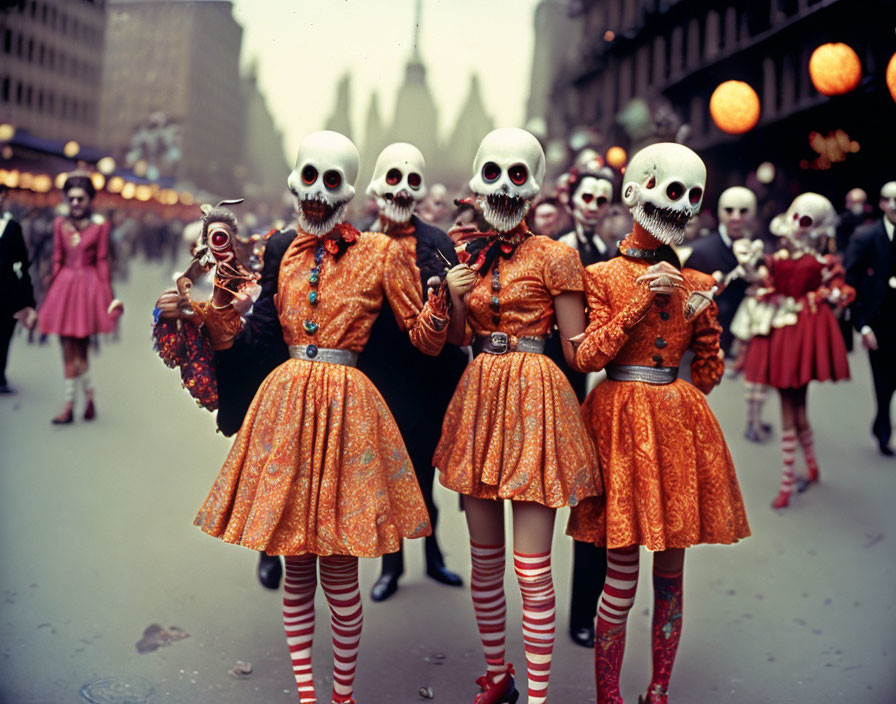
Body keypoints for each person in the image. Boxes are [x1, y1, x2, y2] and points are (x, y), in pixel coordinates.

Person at [155, 131, 449, 704]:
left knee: (339, 574)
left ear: (348, 193)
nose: (316, 194)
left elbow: (423, 339)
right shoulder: (279, 249)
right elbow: (254, 332)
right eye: (308, 178)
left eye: (331, 181)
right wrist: (196, 313)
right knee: (295, 568)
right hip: (286, 407)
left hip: (348, 412)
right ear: (294, 182)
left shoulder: (383, 253)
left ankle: (342, 695)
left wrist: (439, 307)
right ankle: (308, 696)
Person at [568, 143, 750, 704]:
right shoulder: (597, 276)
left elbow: (713, 365)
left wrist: (704, 325)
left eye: (694, 196)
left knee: (670, 575)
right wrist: (640, 304)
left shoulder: (699, 281)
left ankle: (658, 689)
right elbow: (587, 357)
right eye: (672, 190)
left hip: (676, 430)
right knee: (619, 578)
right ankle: (609, 695)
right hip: (619, 426)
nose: (683, 206)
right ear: (633, 193)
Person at [437, 128, 601, 704]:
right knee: (484, 564)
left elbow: (579, 351)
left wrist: (630, 317)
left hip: (537, 403)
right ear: (477, 186)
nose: (503, 191)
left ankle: (537, 695)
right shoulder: (465, 256)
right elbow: (457, 339)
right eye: (492, 175)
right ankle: (497, 676)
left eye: (516, 177)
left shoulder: (558, 257)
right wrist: (455, 298)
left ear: (533, 189)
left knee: (531, 570)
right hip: (479, 400)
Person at [359, 142, 466, 601]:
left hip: (428, 377)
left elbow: (460, 312)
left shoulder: (437, 242)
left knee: (422, 473)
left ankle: (434, 555)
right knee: (388, 474)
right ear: (376, 186)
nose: (401, 190)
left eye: (412, 181)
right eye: (393, 179)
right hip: (377, 377)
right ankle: (392, 565)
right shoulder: (357, 242)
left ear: (421, 191)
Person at [743, 193, 854, 507]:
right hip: (784, 332)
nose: (795, 226)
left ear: (814, 226)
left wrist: (829, 293)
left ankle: (788, 482)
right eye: (795, 217)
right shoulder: (779, 258)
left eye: (804, 221)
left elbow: (836, 289)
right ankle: (809, 468)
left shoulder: (817, 262)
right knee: (795, 405)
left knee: (793, 406)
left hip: (799, 334)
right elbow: (764, 280)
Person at [554, 169, 617, 648]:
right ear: (571, 200)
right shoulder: (556, 250)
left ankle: (583, 614)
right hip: (560, 387)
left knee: (594, 507)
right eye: (586, 196)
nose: (593, 205)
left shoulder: (612, 257)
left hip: (605, 391)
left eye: (602, 198)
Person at [37, 171, 121, 423]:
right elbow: (57, 258)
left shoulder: (99, 226)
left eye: (80, 199)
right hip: (63, 288)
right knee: (66, 349)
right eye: (71, 198)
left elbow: (103, 260)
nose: (75, 204)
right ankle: (73, 403)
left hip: (87, 289)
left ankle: (83, 401)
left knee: (81, 352)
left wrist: (106, 294)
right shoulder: (59, 225)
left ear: (89, 200)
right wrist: (50, 288)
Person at [845, 181, 896, 456]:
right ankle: (884, 428)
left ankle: (883, 426)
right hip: (879, 322)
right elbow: (851, 283)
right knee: (884, 380)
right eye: (889, 199)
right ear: (881, 204)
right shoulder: (866, 236)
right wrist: (862, 326)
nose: (895, 205)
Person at [0, 185, 37, 393]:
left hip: (5, 290)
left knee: (4, 334)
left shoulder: (13, 227)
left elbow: (22, 262)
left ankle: (0, 374)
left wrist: (26, 298)